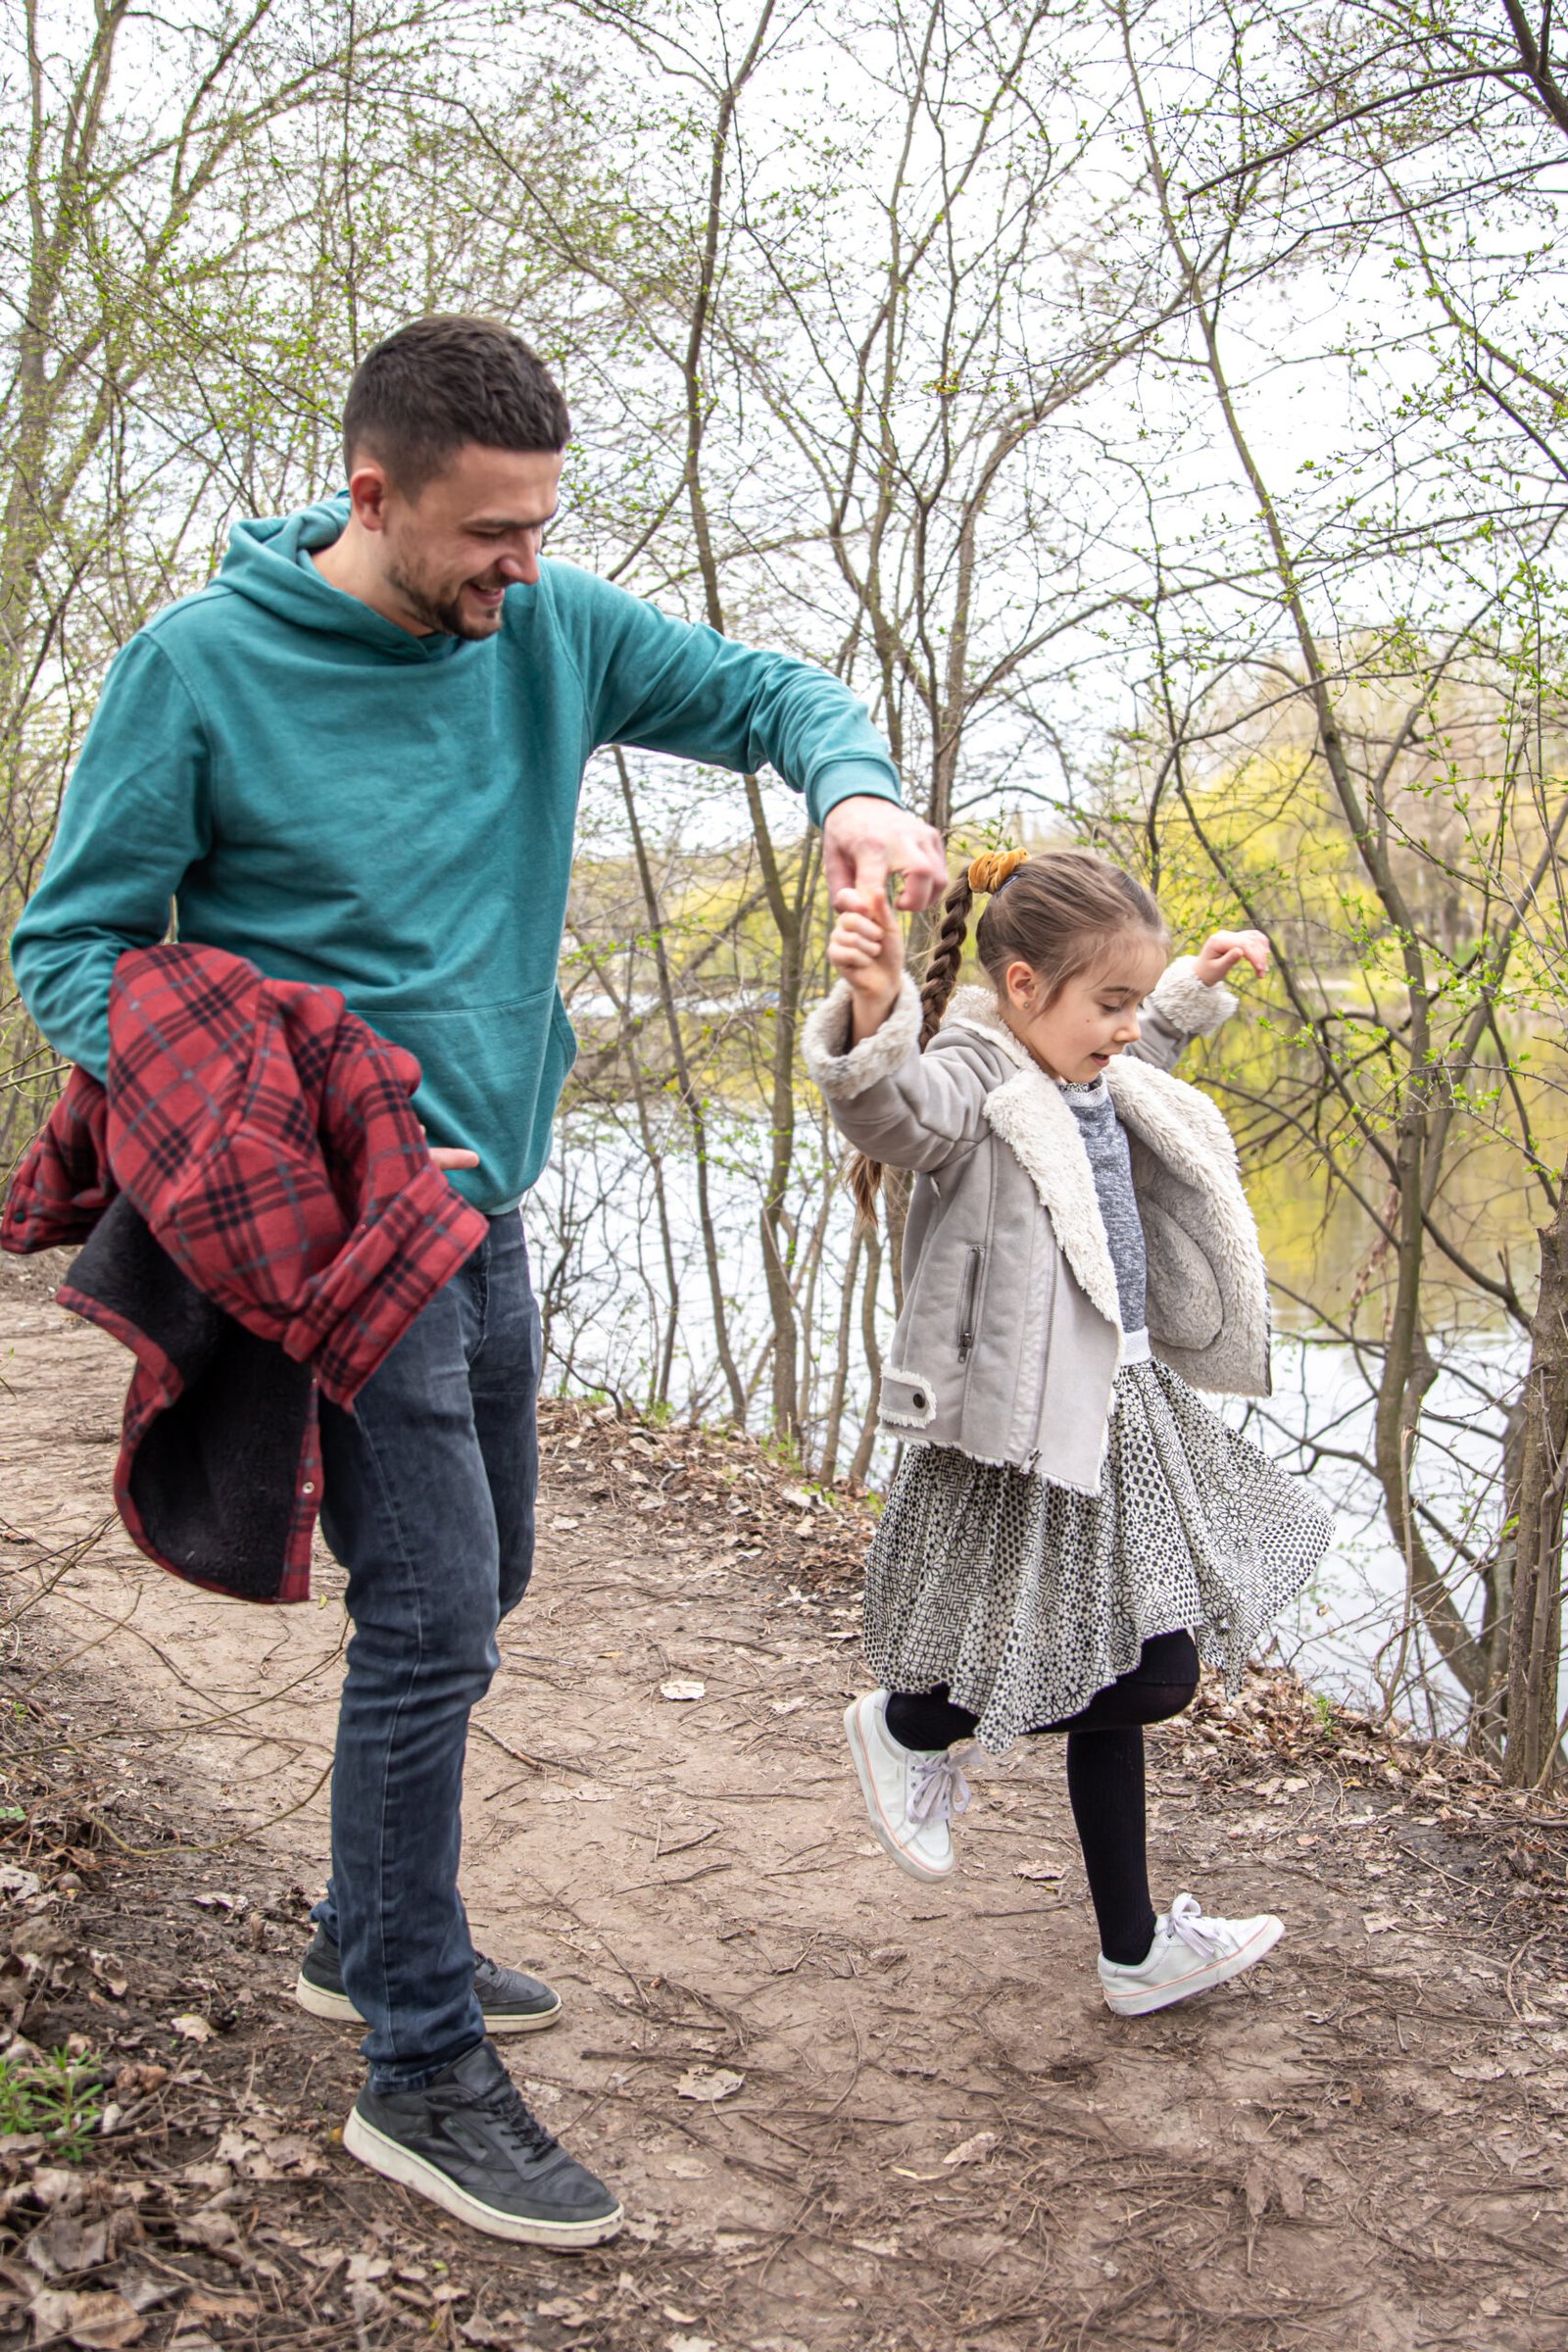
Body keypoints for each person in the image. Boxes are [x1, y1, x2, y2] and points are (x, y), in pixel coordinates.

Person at [9, 315, 947, 2244]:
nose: (523, 565)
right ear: (374, 496)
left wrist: (850, 790)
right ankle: (417, 2065)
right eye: (489, 533)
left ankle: (365, 1927)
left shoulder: (551, 629)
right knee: (434, 1616)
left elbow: (767, 693)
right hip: (346, 1228)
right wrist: (244, 1110)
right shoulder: (200, 670)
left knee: (488, 1569)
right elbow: (70, 948)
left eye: (542, 526)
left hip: (490, 1201)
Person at [803, 846, 1330, 2016]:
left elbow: (1129, 1074)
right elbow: (890, 1109)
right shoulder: (972, 1076)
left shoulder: (1080, 1064)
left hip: (1125, 1402)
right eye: (1112, 1001)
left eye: (1136, 1002)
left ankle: (1133, 1951)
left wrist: (1185, 990)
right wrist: (877, 1012)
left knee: (1125, 1652)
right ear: (1023, 986)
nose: (1127, 1028)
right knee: (1153, 1670)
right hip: (1033, 1425)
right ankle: (911, 1726)